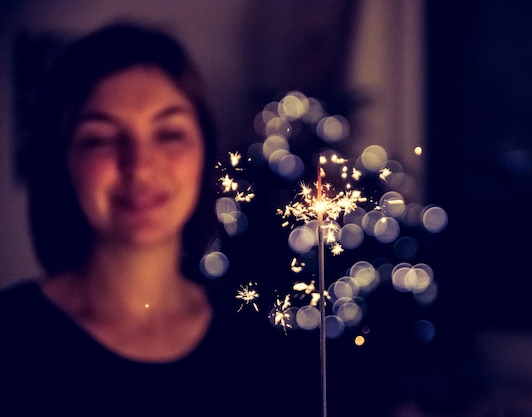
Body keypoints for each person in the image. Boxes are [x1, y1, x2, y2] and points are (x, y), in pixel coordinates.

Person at [0, 22, 315, 416]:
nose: (140, 167)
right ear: (63, 162)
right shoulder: (10, 341)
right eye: (99, 138)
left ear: (204, 152)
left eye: (168, 134)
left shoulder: (262, 348)